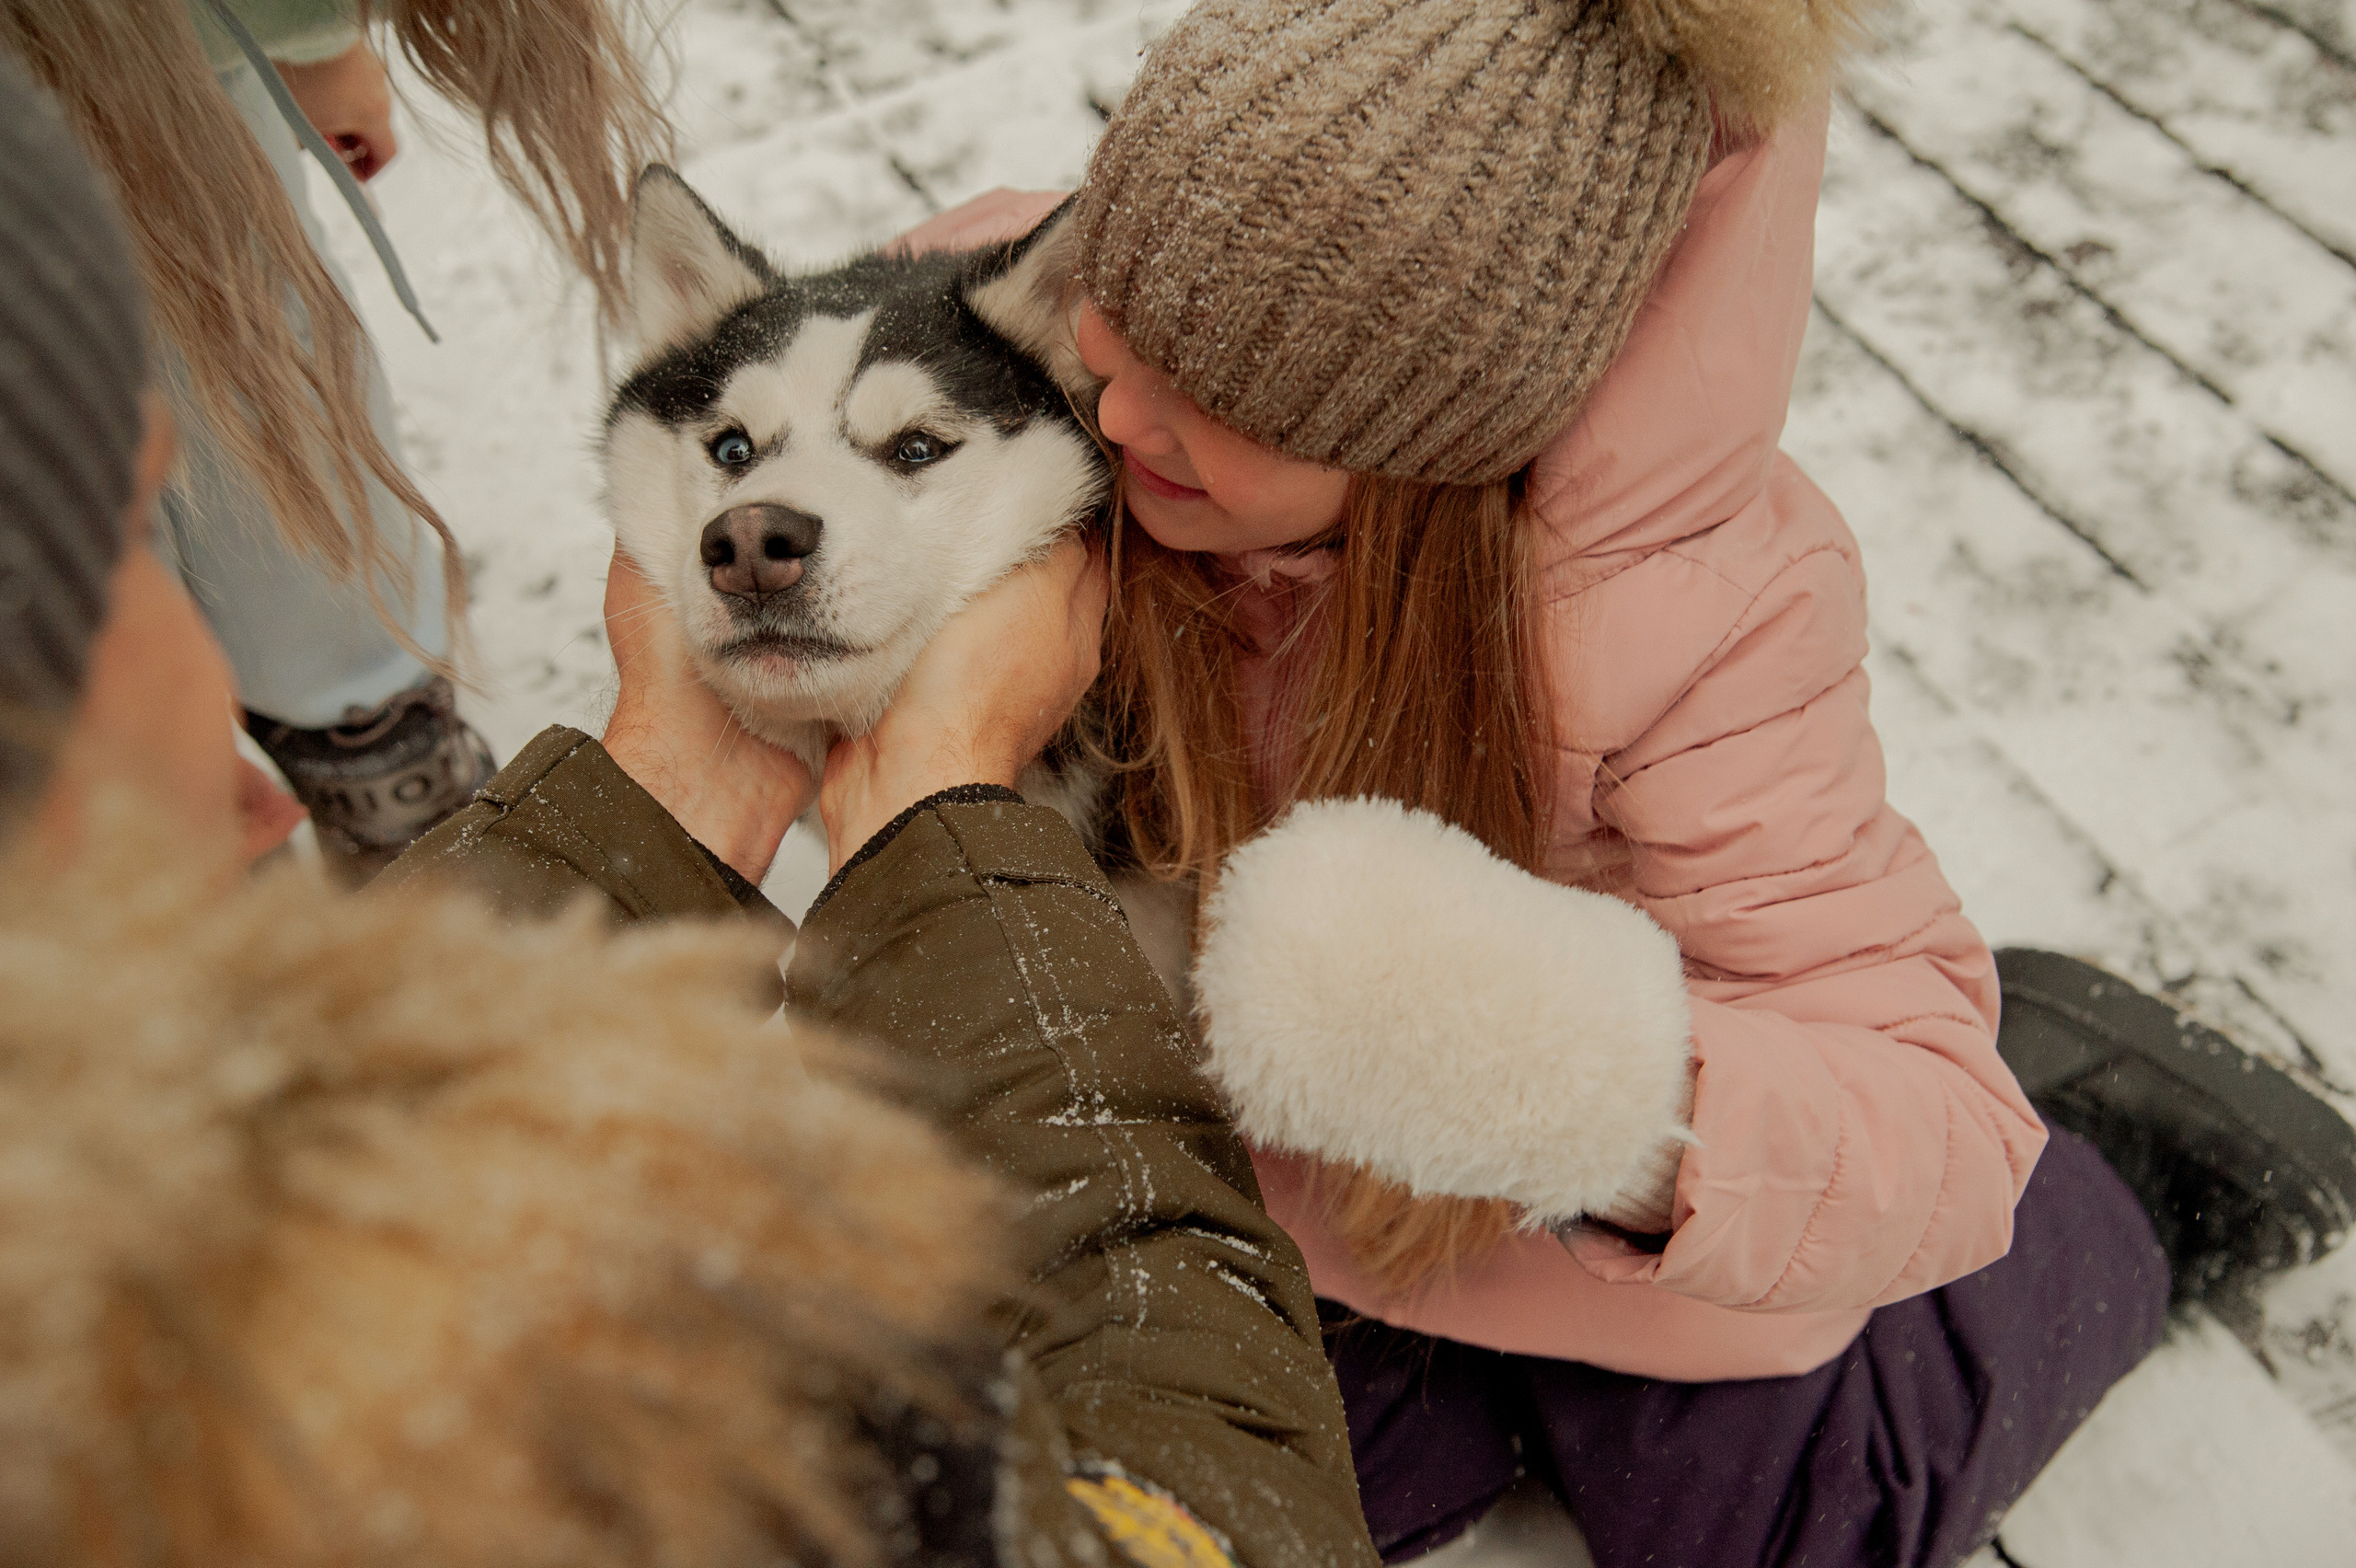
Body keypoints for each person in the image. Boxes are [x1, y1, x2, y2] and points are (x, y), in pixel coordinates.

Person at [895, 2, 2356, 1564]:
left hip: (1598, 1247)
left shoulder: (1692, 624)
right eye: (1117, 328)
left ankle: (2130, 1156)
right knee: (1228, 1489)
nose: (1116, 414)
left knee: (1799, 1522)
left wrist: (1586, 1088)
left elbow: (1940, 1127)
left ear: (1424, 429)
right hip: (1296, 1201)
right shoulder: (1024, 345)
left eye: (1218, 395)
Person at [0, 61, 1380, 1568]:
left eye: (909, 445)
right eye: (145, 533)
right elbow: (1197, 1519)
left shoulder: (138, 1270)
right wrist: (941, 793)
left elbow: (369, 1140)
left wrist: (675, 773)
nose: (753, 528)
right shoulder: (710, 1397)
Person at [1, 0, 671, 879]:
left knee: (242, 371)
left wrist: (300, 34)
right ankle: (159, 812)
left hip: (135, 58)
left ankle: (366, 747)